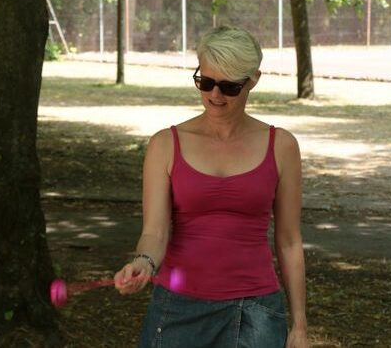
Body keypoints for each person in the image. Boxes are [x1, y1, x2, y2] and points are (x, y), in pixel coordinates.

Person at [114, 25, 308, 348]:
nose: (215, 96)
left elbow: (289, 241)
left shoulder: (281, 145)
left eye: (229, 87)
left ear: (254, 80)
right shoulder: (166, 144)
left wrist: (299, 324)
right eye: (205, 82)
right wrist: (144, 262)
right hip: (177, 307)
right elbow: (156, 232)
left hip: (255, 311)